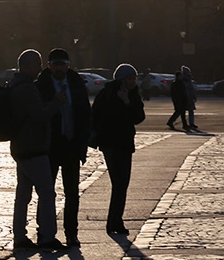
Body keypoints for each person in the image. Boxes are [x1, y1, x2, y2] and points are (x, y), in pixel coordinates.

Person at [9, 49, 66, 250]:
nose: (40, 69)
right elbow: (39, 115)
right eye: (37, 64)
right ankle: (47, 237)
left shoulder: (15, 85)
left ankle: (20, 236)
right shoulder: (27, 89)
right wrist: (56, 103)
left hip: (21, 146)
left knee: (23, 194)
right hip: (33, 147)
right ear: (26, 66)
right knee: (47, 192)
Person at [36, 47, 91, 248]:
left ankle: (71, 233)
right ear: (49, 66)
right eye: (55, 64)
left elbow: (84, 114)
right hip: (50, 146)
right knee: (46, 192)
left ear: (68, 65)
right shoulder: (41, 86)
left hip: (71, 145)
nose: (59, 68)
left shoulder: (76, 84)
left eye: (62, 64)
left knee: (72, 193)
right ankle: (44, 232)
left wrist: (83, 143)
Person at [91, 63, 145, 236]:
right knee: (119, 183)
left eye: (134, 78)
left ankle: (115, 221)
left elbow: (139, 117)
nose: (133, 81)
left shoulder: (133, 94)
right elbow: (99, 116)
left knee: (122, 184)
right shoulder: (107, 94)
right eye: (129, 78)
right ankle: (114, 222)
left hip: (125, 144)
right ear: (121, 80)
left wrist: (127, 101)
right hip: (111, 144)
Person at [182, 66, 199, 131]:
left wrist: (194, 96)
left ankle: (191, 123)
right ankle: (185, 123)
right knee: (183, 111)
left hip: (190, 97)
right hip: (185, 97)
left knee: (191, 111)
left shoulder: (189, 79)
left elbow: (192, 89)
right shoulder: (183, 80)